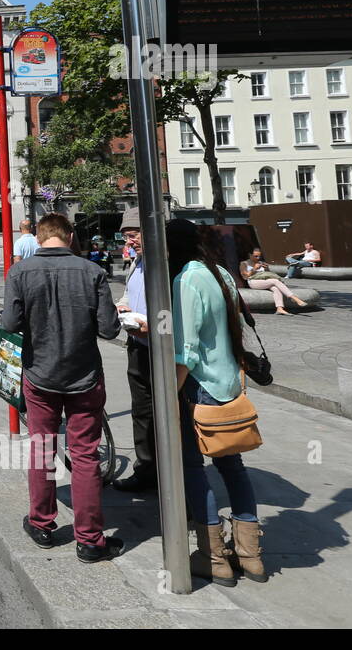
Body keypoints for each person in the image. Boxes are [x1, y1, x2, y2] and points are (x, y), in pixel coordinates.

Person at [2, 213, 123, 563]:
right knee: (85, 455)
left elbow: (10, 323)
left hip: (40, 375)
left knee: (42, 447)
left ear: (38, 238)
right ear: (70, 236)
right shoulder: (93, 272)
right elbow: (109, 330)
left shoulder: (19, 272)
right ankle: (90, 540)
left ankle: (41, 523)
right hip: (84, 375)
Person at [168, 219, 265, 587]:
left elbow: (186, 352)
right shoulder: (221, 273)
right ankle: (250, 555)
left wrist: (170, 394)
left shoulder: (186, 280)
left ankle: (213, 556)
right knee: (233, 467)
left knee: (194, 468)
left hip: (199, 387)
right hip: (230, 384)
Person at [113, 209, 155, 494]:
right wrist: (122, 306)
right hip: (137, 344)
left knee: (170, 414)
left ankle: (181, 481)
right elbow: (129, 293)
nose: (131, 242)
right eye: (127, 237)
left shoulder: (164, 264)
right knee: (141, 411)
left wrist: (150, 324)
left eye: (134, 235)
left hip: (163, 350)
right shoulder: (137, 262)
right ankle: (146, 469)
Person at [241, 248, 307, 315]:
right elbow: (245, 276)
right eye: (256, 256)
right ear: (250, 255)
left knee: (275, 288)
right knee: (275, 281)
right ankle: (295, 298)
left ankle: (279, 308)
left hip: (264, 281)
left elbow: (267, 274)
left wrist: (266, 268)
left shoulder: (260, 262)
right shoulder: (244, 263)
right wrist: (254, 269)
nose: (258, 258)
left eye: (259, 256)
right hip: (253, 282)